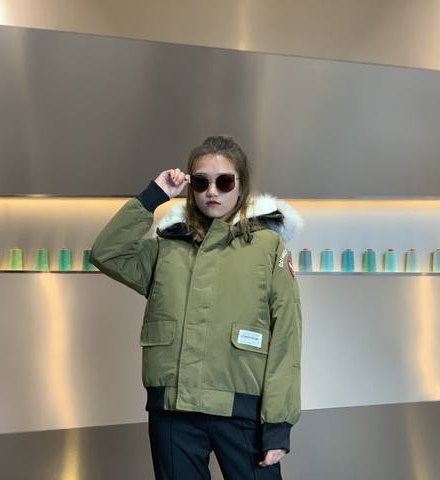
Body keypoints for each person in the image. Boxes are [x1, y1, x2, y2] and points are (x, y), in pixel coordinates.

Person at [90, 135, 303, 480]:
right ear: (191, 186)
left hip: (241, 410)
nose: (212, 192)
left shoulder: (268, 247)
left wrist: (278, 423)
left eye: (224, 181)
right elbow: (106, 252)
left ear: (241, 185)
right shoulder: (167, 248)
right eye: (201, 182)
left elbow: (286, 338)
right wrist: (154, 195)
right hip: (174, 412)